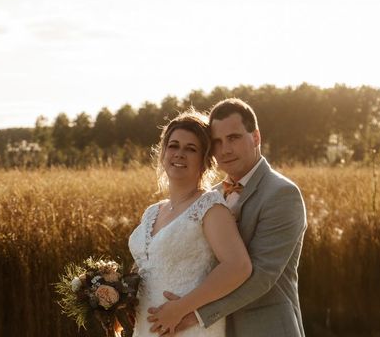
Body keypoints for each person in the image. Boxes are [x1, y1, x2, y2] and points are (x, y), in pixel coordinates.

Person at [148, 98, 307, 337]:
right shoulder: (210, 197)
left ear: (256, 137)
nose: (225, 150)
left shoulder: (282, 193)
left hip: (265, 328)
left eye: (233, 138)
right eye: (217, 142)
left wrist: (193, 314)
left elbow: (262, 275)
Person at [128, 110, 252, 336]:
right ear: (163, 153)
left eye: (191, 149)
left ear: (205, 161)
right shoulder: (152, 212)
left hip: (187, 328)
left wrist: (181, 308)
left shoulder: (210, 208)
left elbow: (238, 267)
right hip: (146, 327)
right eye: (173, 146)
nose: (179, 154)